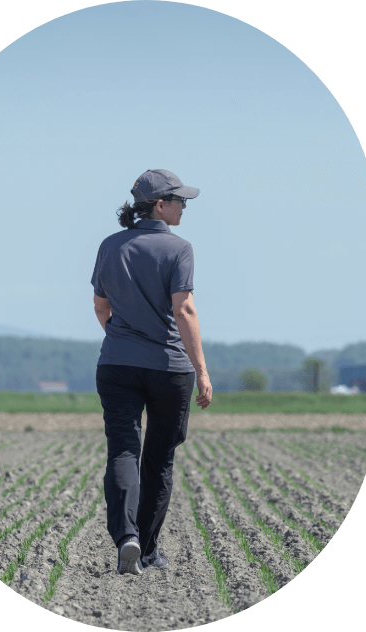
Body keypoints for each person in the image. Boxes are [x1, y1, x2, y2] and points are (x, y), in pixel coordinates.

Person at [91, 169, 213, 576]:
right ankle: (145, 552)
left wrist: (124, 339)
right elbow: (184, 310)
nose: (184, 207)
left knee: (123, 450)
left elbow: (101, 308)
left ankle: (126, 536)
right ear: (160, 205)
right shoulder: (179, 249)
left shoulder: (110, 246)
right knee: (159, 461)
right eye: (180, 200)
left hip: (117, 364)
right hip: (168, 369)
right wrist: (202, 370)